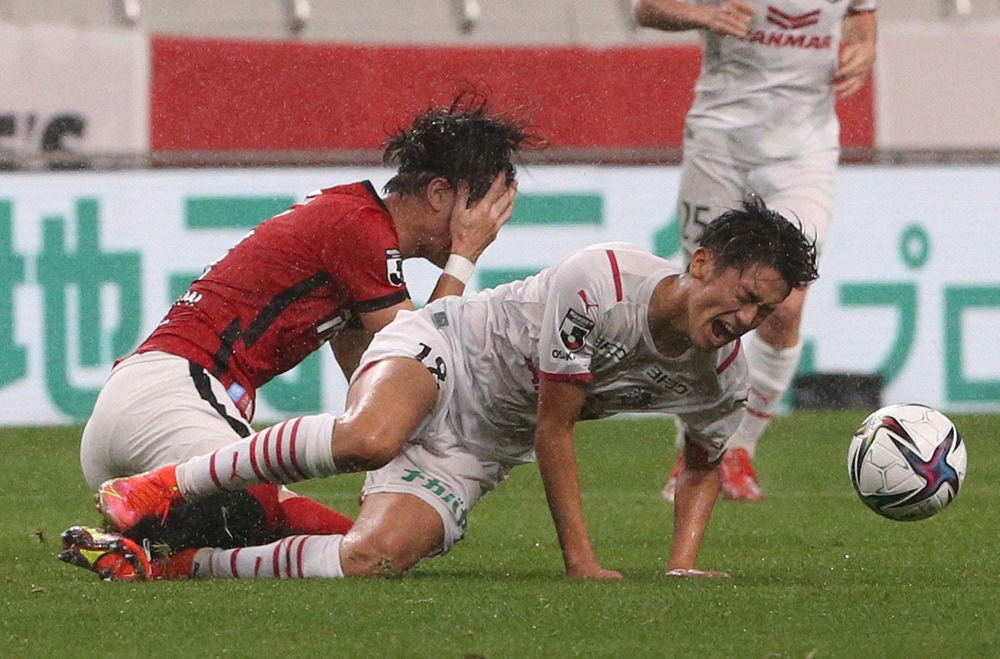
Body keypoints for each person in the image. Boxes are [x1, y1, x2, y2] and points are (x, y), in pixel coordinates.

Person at [82, 197, 817, 582]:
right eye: (744, 296)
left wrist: (682, 562)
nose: (745, 320)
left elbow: (701, 461)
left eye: (764, 311)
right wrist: (582, 563)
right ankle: (158, 487)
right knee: (372, 435)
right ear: (702, 261)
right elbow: (553, 429)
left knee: (372, 559)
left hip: (479, 447)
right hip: (443, 347)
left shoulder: (723, 376)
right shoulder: (604, 278)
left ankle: (176, 563)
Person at [64, 94, 537, 579]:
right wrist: (464, 256)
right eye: (485, 207)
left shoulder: (353, 224)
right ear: (440, 194)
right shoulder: (361, 228)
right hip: (174, 397)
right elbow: (424, 353)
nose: (491, 225)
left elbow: (389, 386)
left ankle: (141, 538)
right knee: (254, 512)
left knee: (351, 548)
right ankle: (142, 547)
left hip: (142, 404)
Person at [634, 0, 877, 501]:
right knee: (702, 300)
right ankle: (695, 447)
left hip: (802, 154)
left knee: (784, 306)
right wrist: (701, 15)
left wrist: (864, 51)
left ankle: (740, 447)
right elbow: (647, 9)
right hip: (719, 143)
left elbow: (861, 21)